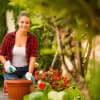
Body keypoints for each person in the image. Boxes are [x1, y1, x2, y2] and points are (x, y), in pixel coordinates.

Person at [0, 11, 38, 95]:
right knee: (16, 92)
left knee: (29, 93)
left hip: (26, 70)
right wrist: (6, 64)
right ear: (18, 23)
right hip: (12, 71)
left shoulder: (33, 38)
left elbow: (32, 57)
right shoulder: (9, 37)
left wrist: (30, 73)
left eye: (27, 23)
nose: (24, 25)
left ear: (30, 24)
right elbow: (1, 54)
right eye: (22, 22)